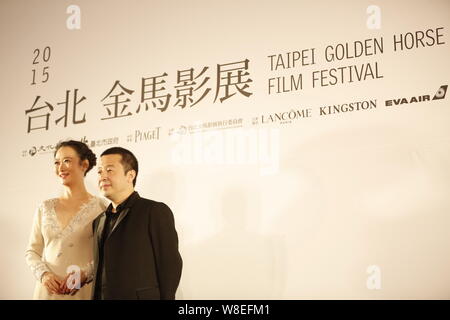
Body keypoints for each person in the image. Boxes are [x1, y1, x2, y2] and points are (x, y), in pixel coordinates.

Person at [89, 147, 182, 299]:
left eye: (109, 170)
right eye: (99, 172)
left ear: (130, 175)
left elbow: (170, 266)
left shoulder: (154, 211)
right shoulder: (98, 221)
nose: (102, 176)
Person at [25, 140, 106, 300]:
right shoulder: (44, 207)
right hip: (46, 292)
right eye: (57, 162)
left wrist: (84, 274)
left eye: (67, 161)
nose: (60, 168)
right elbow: (32, 251)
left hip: (81, 291)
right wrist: (44, 275)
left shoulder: (101, 208)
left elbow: (106, 254)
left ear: (84, 165)